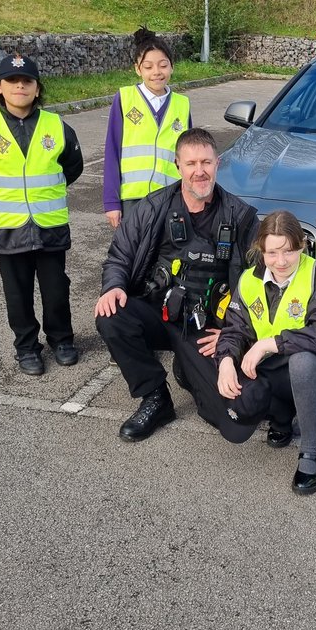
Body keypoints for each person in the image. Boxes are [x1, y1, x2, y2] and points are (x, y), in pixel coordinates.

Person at [95, 128, 258, 441]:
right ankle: (155, 397)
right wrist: (113, 286)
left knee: (235, 425)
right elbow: (119, 256)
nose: (200, 171)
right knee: (111, 314)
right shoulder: (152, 207)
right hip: (158, 313)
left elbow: (261, 283)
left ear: (217, 163)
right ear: (178, 166)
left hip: (206, 327)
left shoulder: (241, 216)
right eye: (191, 163)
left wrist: (234, 333)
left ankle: (188, 369)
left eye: (206, 162)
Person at [0, 53, 84, 375]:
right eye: (12, 81)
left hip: (50, 224)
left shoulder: (57, 126)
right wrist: (1, 195)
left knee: (56, 290)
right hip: (7, 228)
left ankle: (62, 340)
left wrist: (43, 194)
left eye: (27, 81)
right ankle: (26, 347)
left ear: (37, 88)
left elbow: (72, 166)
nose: (20, 87)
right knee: (17, 293)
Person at [214, 211, 316, 496]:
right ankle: (282, 418)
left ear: (302, 246)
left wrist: (267, 344)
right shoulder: (248, 280)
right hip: (274, 366)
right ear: (261, 250)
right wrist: (224, 361)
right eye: (272, 253)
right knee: (243, 376)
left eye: (289, 251)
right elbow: (234, 330)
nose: (281, 261)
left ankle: (310, 452)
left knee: (301, 361)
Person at [102, 26, 191, 230]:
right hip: (132, 200)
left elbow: (189, 156)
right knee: (131, 250)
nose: (157, 72)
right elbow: (112, 151)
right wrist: (112, 202)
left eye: (163, 65)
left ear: (172, 67)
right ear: (138, 69)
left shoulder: (182, 104)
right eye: (148, 67)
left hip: (172, 199)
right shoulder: (125, 98)